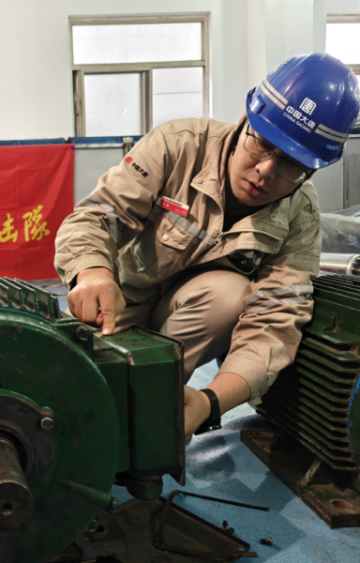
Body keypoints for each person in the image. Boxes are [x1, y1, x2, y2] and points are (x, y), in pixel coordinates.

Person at [54, 53, 360, 439]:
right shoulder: (177, 146)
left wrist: (209, 402)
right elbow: (96, 216)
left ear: (311, 171)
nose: (266, 170)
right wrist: (92, 271)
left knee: (230, 295)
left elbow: (274, 322)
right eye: (263, 144)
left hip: (186, 331)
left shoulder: (300, 216)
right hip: (118, 307)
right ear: (245, 121)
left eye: (291, 164)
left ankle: (153, 392)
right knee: (68, 400)